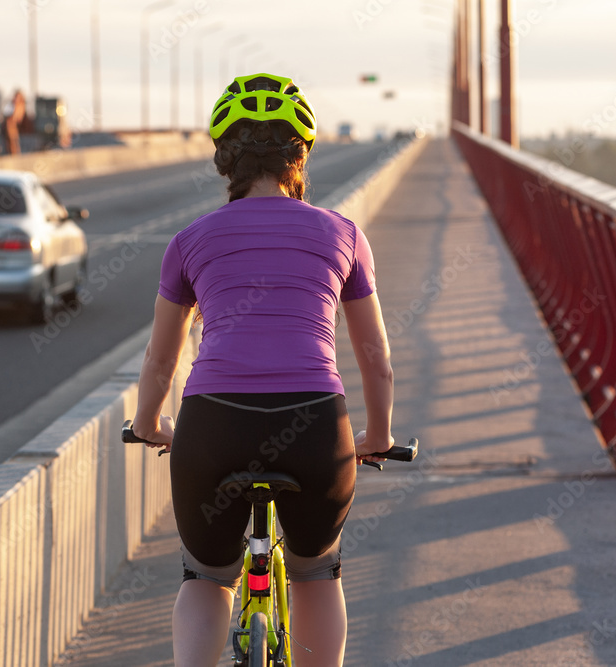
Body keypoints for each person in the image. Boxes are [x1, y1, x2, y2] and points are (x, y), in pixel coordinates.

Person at [130, 72, 395, 667]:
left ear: (226, 158)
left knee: (205, 576)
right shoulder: (343, 234)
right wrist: (377, 436)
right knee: (315, 571)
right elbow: (375, 355)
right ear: (299, 154)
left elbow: (162, 357)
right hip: (315, 427)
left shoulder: (189, 240)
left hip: (212, 427)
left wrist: (150, 422)